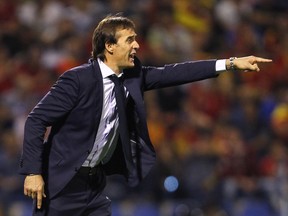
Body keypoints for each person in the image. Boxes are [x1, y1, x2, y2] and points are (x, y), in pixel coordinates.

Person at [18, 14, 272, 216]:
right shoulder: (77, 80)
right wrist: (33, 172)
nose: (137, 45)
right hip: (62, 183)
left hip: (95, 183)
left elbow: (175, 72)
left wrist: (229, 63)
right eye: (129, 40)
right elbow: (36, 120)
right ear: (109, 46)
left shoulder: (133, 76)